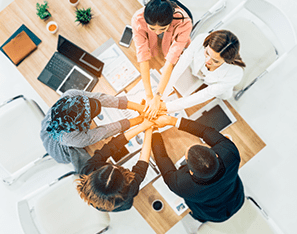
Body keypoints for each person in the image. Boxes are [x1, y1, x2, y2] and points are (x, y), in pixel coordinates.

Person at [151, 115, 245, 222]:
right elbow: (205, 131)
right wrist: (172, 120)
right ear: (216, 155)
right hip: (236, 199)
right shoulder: (230, 154)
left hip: (211, 214)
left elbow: (161, 158)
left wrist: (154, 130)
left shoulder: (181, 185)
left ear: (191, 172)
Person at [40, 89, 144, 171]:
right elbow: (105, 131)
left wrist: (139, 107)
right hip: (61, 151)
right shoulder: (76, 139)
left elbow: (99, 98)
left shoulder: (70, 95)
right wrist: (140, 119)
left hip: (55, 126)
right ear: (83, 124)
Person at [76, 119, 154, 212]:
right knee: (128, 204)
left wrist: (142, 126)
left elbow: (111, 146)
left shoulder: (87, 171)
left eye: (109, 167)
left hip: (102, 197)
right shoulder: (128, 192)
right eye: (117, 169)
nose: (115, 166)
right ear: (125, 184)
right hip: (120, 204)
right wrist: (149, 131)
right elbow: (142, 166)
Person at [132, 0, 192, 119]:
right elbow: (142, 56)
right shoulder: (137, 19)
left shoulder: (184, 22)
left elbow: (170, 60)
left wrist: (157, 96)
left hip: (178, 28)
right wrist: (149, 96)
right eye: (152, 28)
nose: (158, 32)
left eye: (162, 28)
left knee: (173, 53)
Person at [161, 30, 246, 113]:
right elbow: (183, 62)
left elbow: (205, 94)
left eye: (215, 61)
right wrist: (162, 95)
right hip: (195, 72)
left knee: (225, 96)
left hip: (217, 86)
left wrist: (168, 107)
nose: (208, 61)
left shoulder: (235, 74)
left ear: (226, 61)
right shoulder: (201, 39)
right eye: (207, 53)